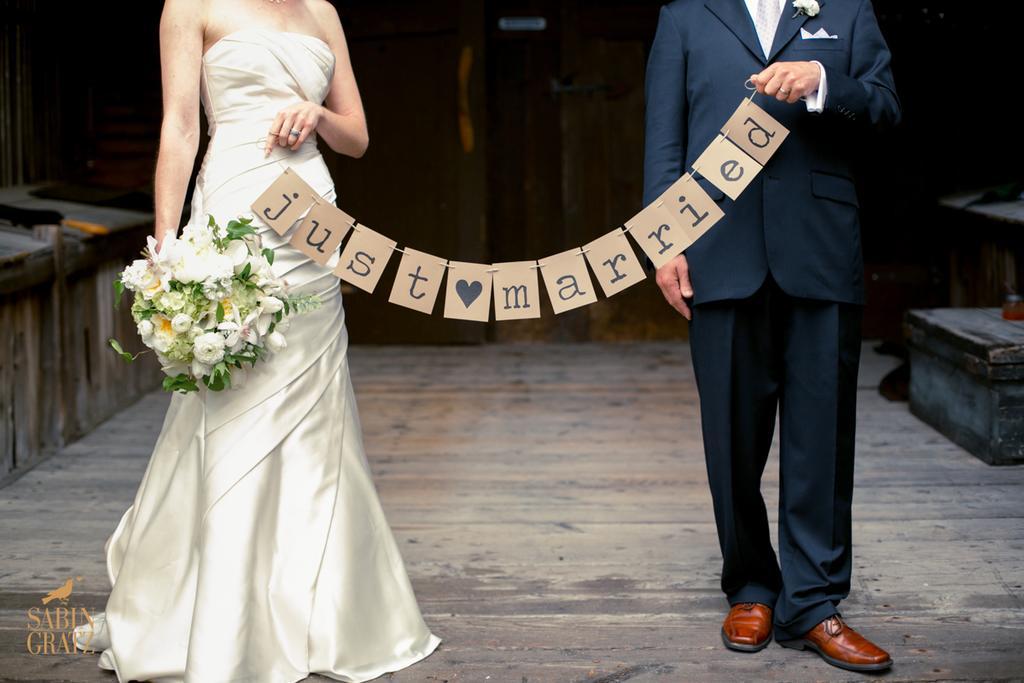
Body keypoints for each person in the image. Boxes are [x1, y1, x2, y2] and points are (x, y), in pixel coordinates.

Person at [73, 0, 442, 680]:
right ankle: (220, 609)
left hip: (314, 220)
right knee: (234, 399)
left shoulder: (322, 10)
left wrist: (318, 117)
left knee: (316, 413)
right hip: (236, 209)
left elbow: (357, 136)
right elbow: (181, 127)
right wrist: (167, 245)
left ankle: (320, 614)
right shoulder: (189, 6)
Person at [642, 0, 900, 673]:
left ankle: (813, 600)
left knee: (824, 433)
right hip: (716, 250)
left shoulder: (847, 9)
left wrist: (821, 80)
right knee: (730, 436)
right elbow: (664, 139)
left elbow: (883, 107)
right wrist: (663, 241)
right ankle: (752, 585)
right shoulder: (685, 15)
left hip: (818, 246)